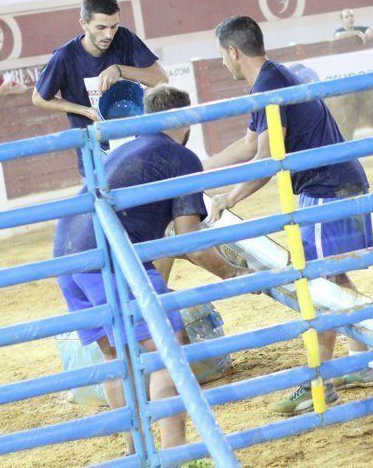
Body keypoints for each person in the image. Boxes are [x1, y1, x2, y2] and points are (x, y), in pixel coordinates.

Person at [52, 83, 251, 455]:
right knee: (169, 348)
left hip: (66, 251)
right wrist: (232, 273)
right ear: (186, 118)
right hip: (110, 254)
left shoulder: (128, 148)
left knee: (118, 356)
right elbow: (188, 240)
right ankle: (175, 453)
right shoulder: (179, 157)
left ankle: (135, 454)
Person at [205, 16, 373, 416]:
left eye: (222, 56)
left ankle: (320, 379)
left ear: (233, 52)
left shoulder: (268, 86)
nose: (223, 64)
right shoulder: (275, 77)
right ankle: (363, 361)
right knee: (332, 276)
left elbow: (266, 161)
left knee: (316, 285)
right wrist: (203, 166)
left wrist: (230, 197)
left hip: (324, 189)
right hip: (342, 183)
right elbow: (250, 145)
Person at [33, 0, 169, 174]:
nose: (109, 34)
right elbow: (39, 98)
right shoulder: (64, 56)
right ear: (83, 24)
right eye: (101, 27)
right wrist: (84, 111)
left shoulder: (124, 38)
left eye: (114, 26)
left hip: (137, 146)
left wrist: (119, 69)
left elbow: (162, 78)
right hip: (96, 155)